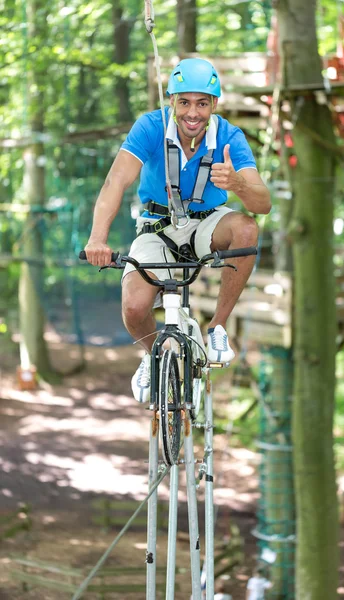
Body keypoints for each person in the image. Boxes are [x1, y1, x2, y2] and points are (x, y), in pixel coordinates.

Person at [84, 57, 271, 402]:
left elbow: (263, 203)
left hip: (208, 223)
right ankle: (153, 356)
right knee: (135, 308)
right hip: (158, 228)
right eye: (184, 102)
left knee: (246, 228)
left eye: (202, 103)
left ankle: (216, 327)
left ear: (214, 104)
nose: (193, 113)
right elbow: (116, 181)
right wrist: (98, 238)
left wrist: (239, 185)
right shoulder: (151, 127)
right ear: (171, 100)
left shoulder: (229, 136)